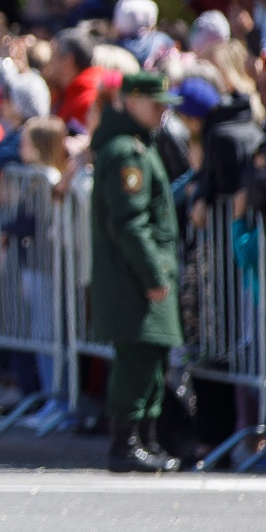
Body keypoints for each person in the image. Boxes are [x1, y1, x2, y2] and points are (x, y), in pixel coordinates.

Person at [88, 73, 184, 473]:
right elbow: (130, 223)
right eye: (153, 103)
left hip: (139, 274)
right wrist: (153, 275)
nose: (162, 111)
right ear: (128, 100)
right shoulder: (128, 152)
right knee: (137, 359)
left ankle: (145, 440)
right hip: (133, 277)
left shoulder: (137, 145)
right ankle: (126, 445)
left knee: (151, 359)